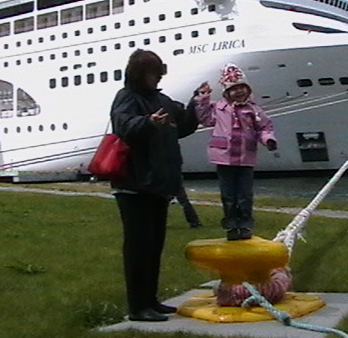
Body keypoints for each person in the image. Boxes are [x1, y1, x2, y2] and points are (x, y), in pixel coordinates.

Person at [110, 49, 198, 322]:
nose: (157, 77)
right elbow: (124, 126)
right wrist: (148, 122)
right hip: (134, 184)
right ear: (139, 74)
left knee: (154, 245)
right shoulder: (127, 97)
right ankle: (138, 306)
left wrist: (197, 104)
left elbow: (183, 125)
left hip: (159, 183)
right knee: (138, 246)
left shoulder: (161, 100)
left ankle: (150, 300)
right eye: (153, 73)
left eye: (159, 73)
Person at [194, 63, 277, 241]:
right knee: (228, 195)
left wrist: (268, 139)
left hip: (245, 158)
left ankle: (245, 224)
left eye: (242, 87)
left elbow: (264, 127)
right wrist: (203, 98)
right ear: (226, 92)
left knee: (245, 195)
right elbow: (205, 118)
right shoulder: (219, 108)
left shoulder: (254, 110)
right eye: (234, 89)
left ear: (248, 89)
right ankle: (231, 225)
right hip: (224, 158)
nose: (239, 91)